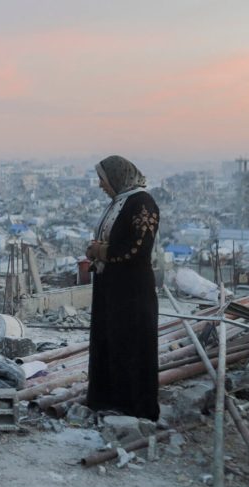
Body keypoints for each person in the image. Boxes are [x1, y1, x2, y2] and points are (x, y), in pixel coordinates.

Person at [85, 155, 160, 421]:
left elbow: (137, 250)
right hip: (112, 288)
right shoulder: (120, 203)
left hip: (132, 291)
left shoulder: (141, 203)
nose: (101, 186)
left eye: (103, 180)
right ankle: (109, 400)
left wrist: (99, 251)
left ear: (118, 178)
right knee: (110, 341)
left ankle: (135, 406)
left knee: (131, 345)